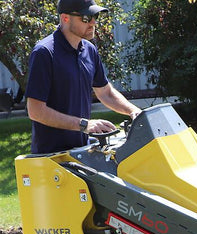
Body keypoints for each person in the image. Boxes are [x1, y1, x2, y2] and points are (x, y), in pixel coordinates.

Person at [25, 0, 142, 154]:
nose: (93, 22)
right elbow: (35, 111)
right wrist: (83, 125)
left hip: (82, 151)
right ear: (65, 18)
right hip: (50, 157)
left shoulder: (90, 50)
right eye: (86, 18)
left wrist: (135, 112)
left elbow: (105, 93)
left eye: (95, 16)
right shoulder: (44, 53)